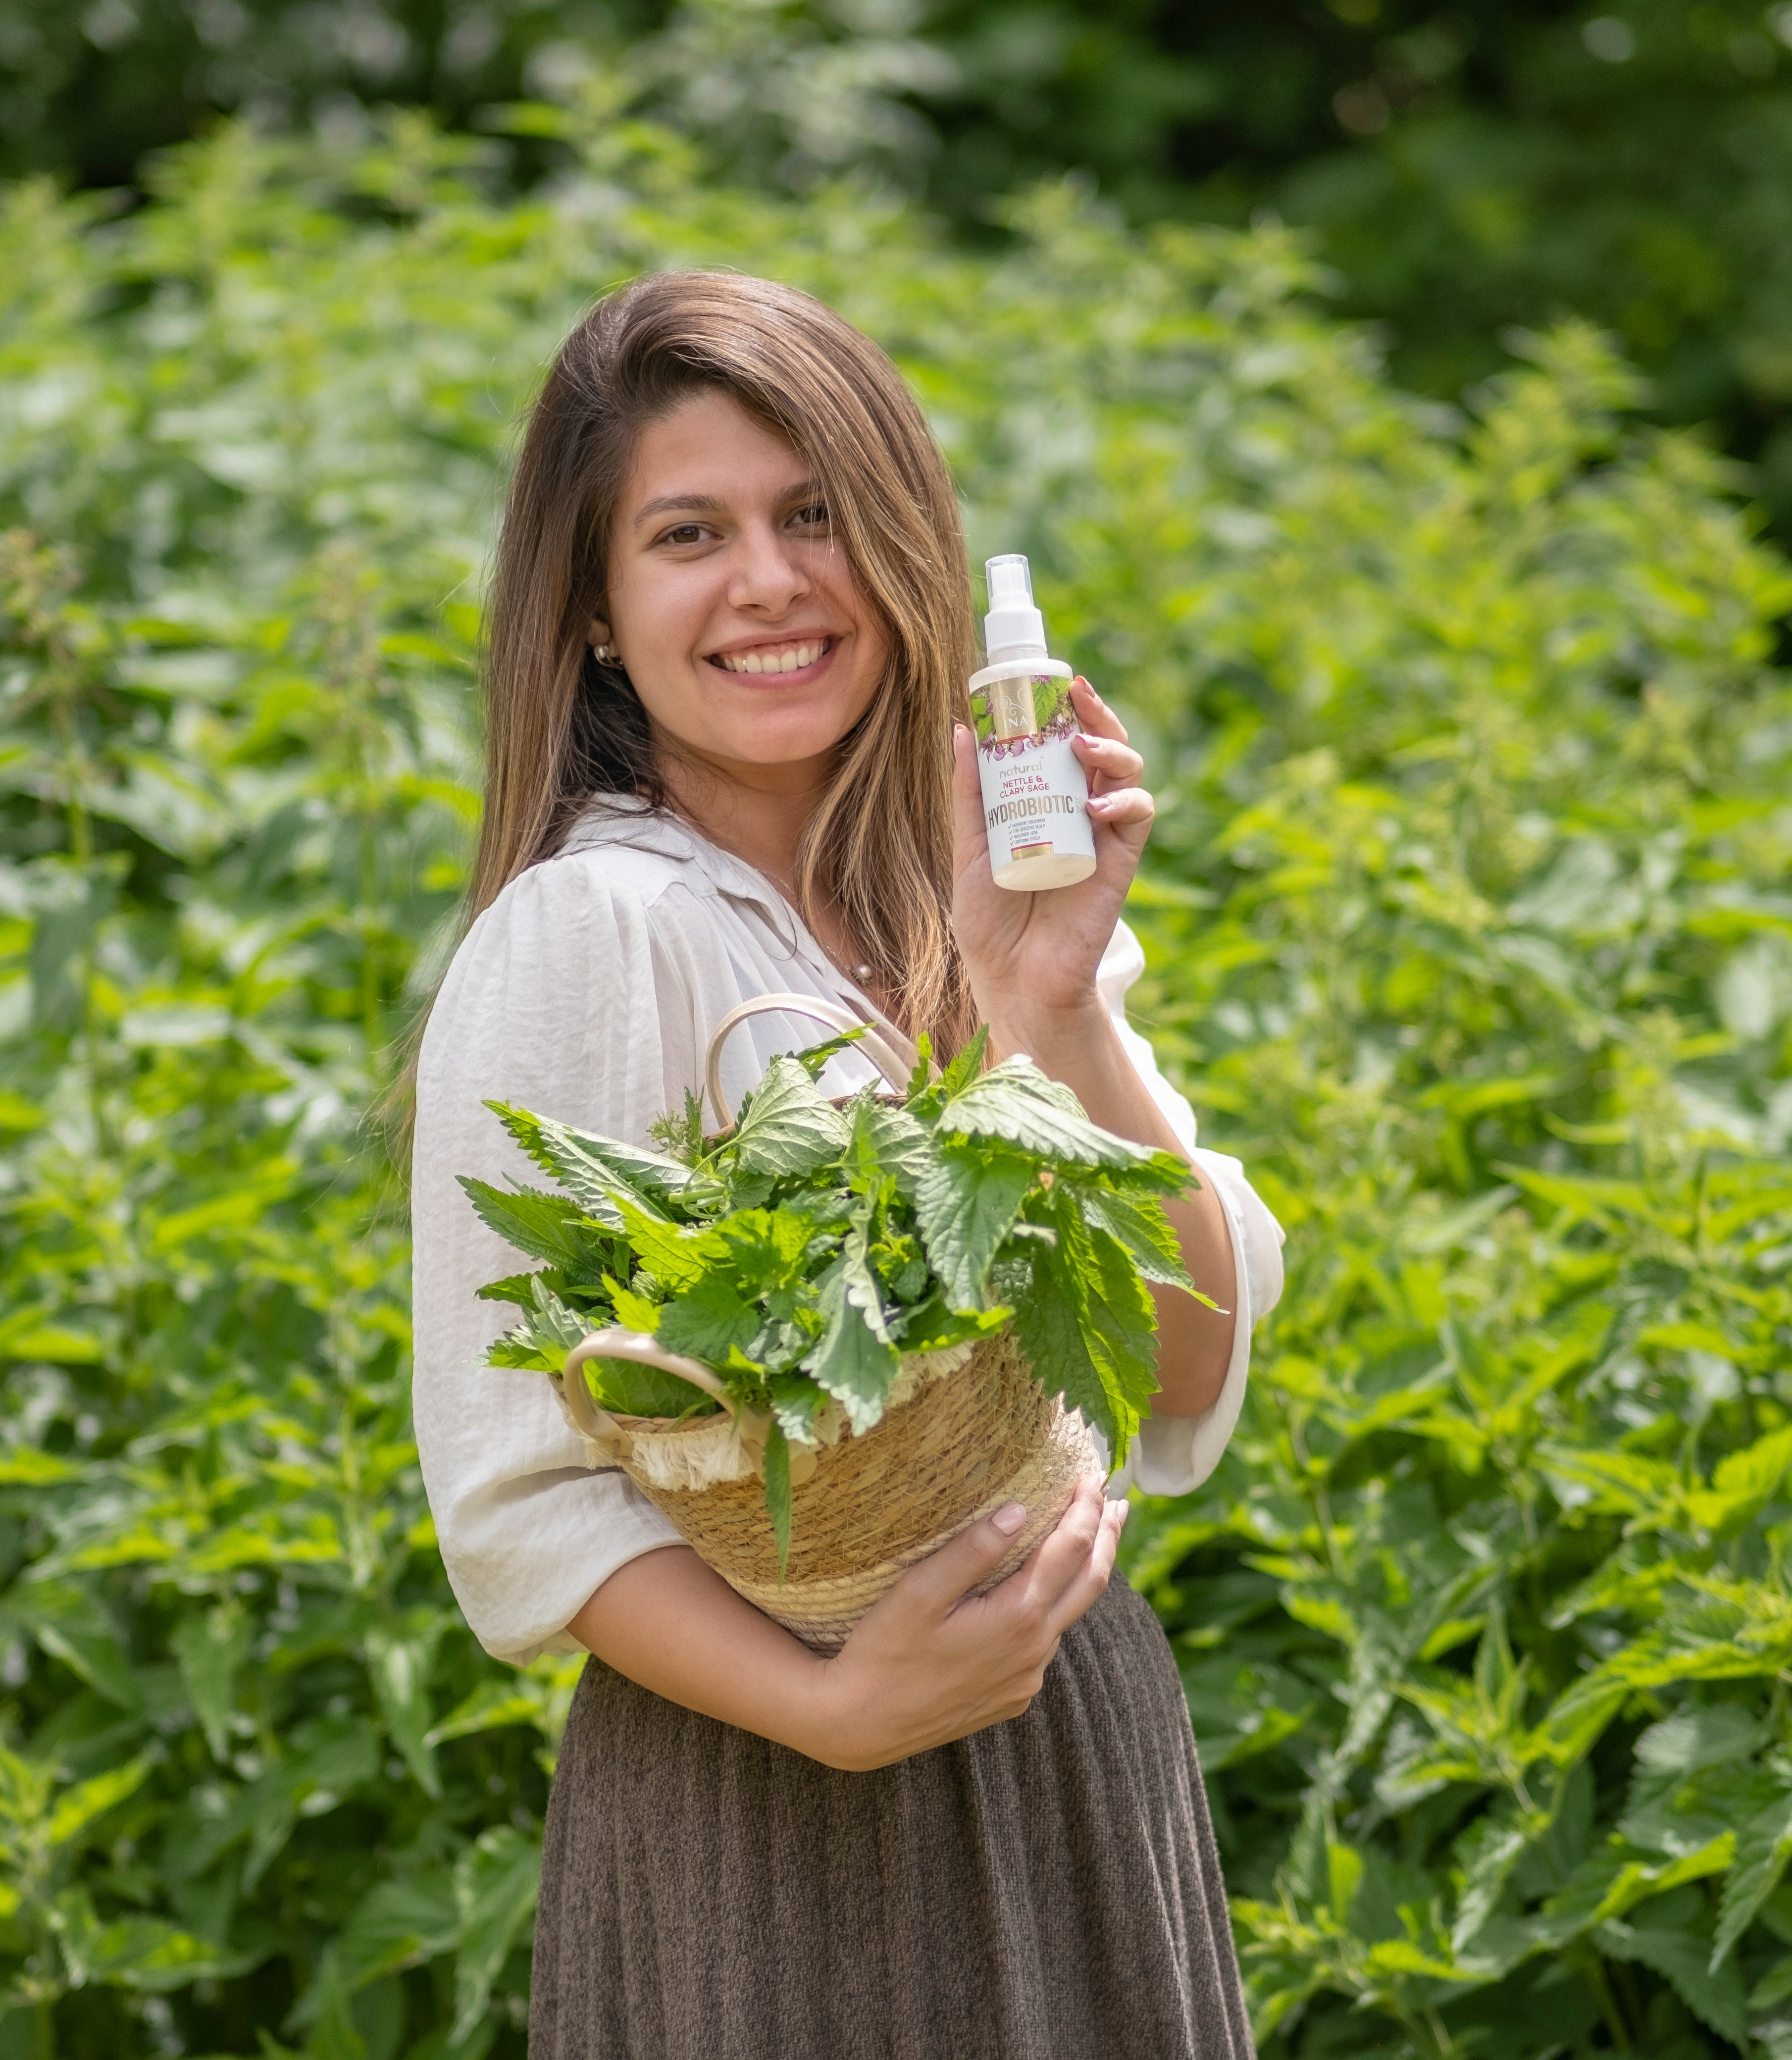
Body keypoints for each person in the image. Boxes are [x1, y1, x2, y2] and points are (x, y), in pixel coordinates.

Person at [409, 268, 1287, 2057]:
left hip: (1068, 1746)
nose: (770, 582)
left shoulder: (974, 896)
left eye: (815, 514)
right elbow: (520, 1499)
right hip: (775, 1803)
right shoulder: (596, 928)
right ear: (593, 611)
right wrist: (838, 1709)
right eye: (689, 534)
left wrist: (1048, 1004)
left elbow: (1184, 1366)